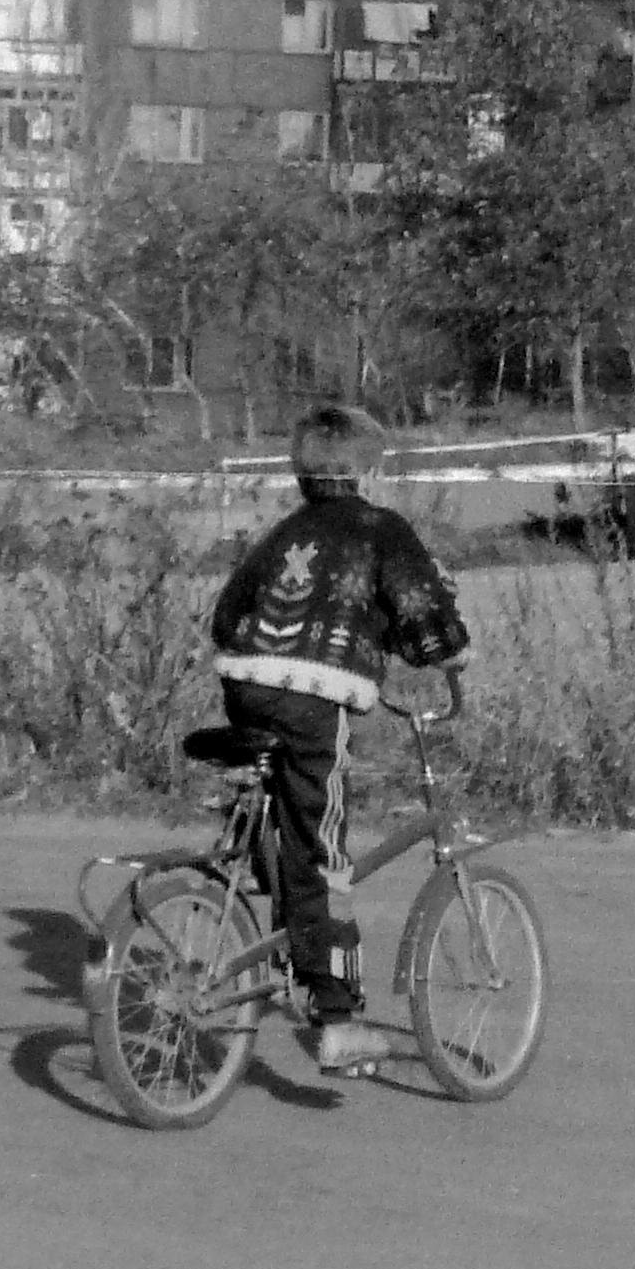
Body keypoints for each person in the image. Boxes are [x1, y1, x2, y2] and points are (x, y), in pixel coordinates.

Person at [206, 405, 472, 1072]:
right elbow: (421, 612)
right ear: (369, 468)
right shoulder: (380, 529)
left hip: (245, 681)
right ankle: (335, 1015)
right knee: (322, 841)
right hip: (313, 697)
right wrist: (450, 652)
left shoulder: (283, 532)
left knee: (287, 814)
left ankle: (279, 920)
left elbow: (227, 616)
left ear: (299, 471)